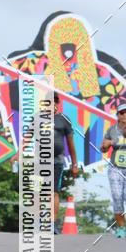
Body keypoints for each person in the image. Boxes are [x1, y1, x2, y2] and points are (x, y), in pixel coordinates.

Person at [53, 92, 78, 234]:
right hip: (38, 162)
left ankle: (52, 224)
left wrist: (74, 165)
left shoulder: (64, 120)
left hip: (57, 162)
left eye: (55, 101)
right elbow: (27, 138)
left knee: (53, 192)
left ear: (57, 103)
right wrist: (19, 155)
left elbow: (71, 144)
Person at [101, 101, 126, 238]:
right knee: (117, 198)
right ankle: (122, 228)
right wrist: (105, 146)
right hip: (115, 169)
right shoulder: (111, 130)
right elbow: (103, 148)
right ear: (117, 115)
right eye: (122, 113)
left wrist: (112, 142)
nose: (125, 115)